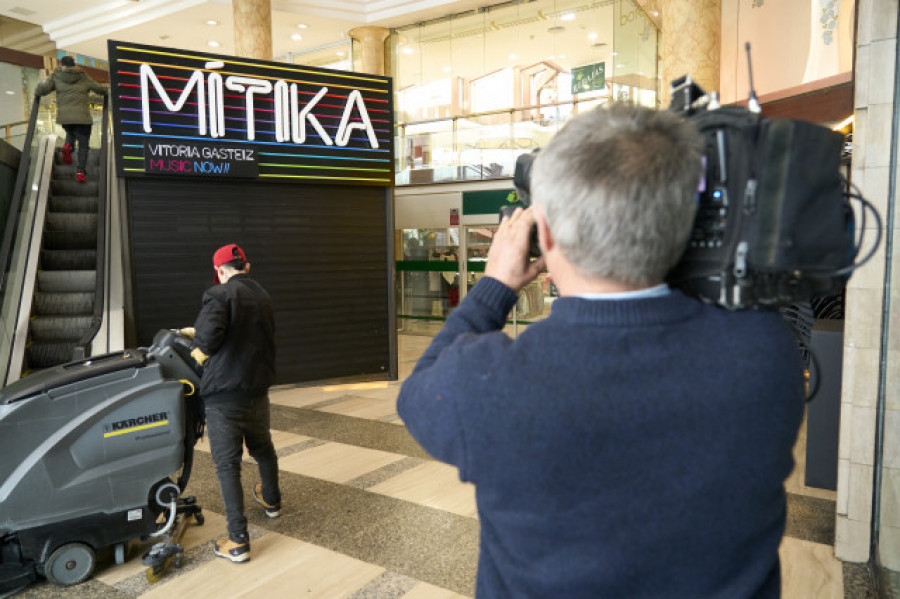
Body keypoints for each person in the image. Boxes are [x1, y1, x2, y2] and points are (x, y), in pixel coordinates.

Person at [397, 103, 805, 598]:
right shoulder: (766, 352)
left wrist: (495, 286)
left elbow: (417, 392)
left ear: (543, 235)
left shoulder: (488, 383)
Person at [183, 244, 281, 563]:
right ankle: (271, 500)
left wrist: (197, 349)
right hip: (256, 389)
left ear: (221, 271)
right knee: (262, 448)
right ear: (246, 267)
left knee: (228, 465)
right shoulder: (263, 296)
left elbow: (209, 338)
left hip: (225, 396)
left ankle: (237, 541)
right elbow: (243, 333)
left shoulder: (218, 295)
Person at [35, 55, 108, 183]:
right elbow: (100, 89)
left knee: (70, 132)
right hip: (83, 118)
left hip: (65, 118)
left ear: (61, 64)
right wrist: (106, 91)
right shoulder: (82, 75)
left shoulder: (56, 75)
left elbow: (42, 90)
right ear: (74, 64)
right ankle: (80, 172)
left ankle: (68, 146)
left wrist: (40, 86)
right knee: (84, 146)